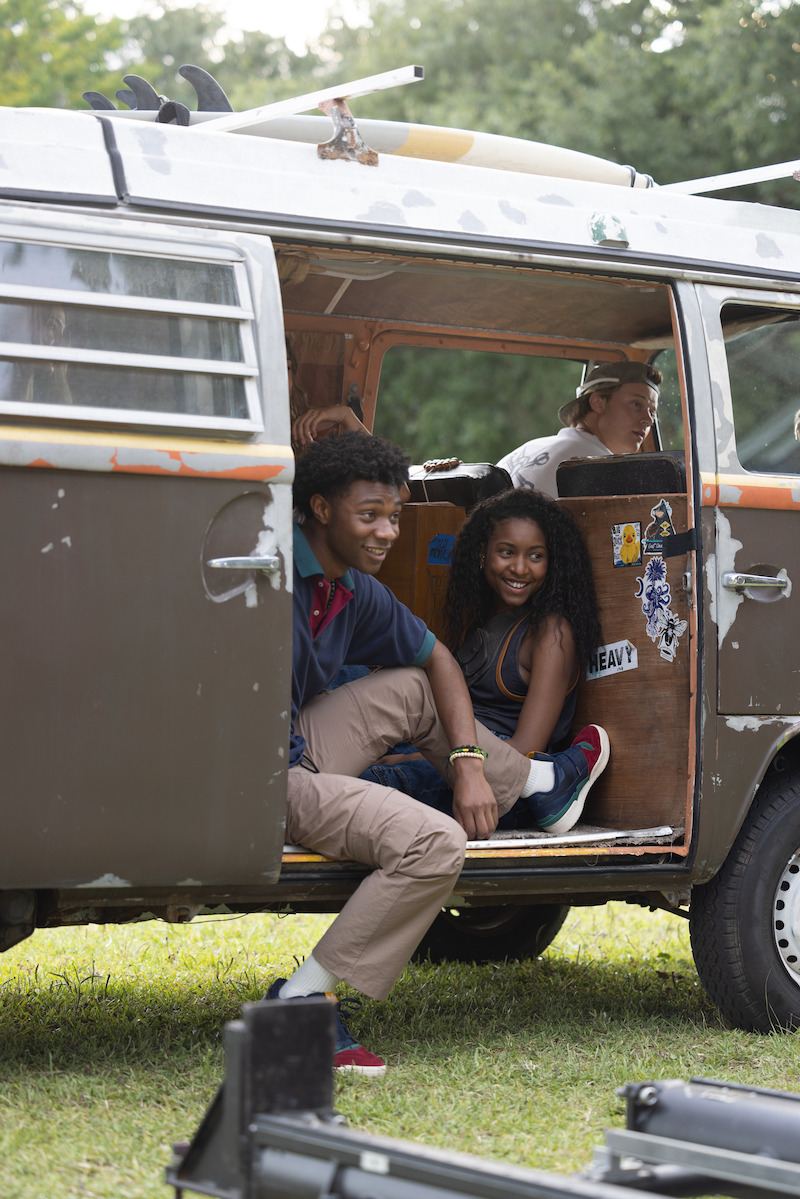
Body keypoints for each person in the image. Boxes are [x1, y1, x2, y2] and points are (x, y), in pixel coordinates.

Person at [270, 431, 609, 1074]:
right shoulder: (271, 573)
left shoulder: (351, 587)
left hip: (297, 743)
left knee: (411, 685)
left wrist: (469, 762)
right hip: (254, 776)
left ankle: (534, 782)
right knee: (435, 843)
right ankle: (300, 1001)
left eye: (394, 515)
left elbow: (437, 662)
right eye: (369, 515)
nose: (388, 532)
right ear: (318, 508)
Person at [361, 488, 603, 830]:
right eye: (506, 552)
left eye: (536, 556)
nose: (520, 568)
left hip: (497, 787)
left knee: (365, 780)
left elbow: (522, 754)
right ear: (482, 553)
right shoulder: (477, 617)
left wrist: (416, 755)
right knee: (349, 676)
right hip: (441, 752)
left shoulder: (551, 633)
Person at [497, 361, 662, 498]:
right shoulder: (600, 465)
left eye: (652, 412)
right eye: (636, 404)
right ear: (597, 403)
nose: (648, 420)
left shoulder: (531, 447)